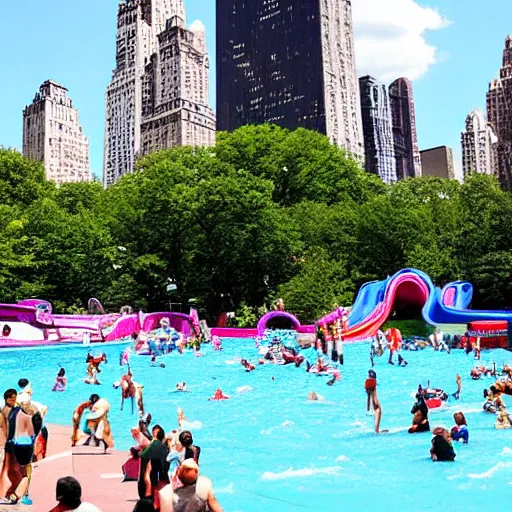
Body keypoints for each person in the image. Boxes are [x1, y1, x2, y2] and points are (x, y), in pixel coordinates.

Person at [0, 390, 42, 505]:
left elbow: (7, 430)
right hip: (22, 445)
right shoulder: (21, 415)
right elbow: (33, 432)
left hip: (16, 445)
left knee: (14, 471)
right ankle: (16, 495)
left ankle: (13, 495)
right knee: (20, 471)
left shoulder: (14, 413)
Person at [138, 425, 170, 507]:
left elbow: (143, 455)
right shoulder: (164, 447)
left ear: (155, 434)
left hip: (152, 472)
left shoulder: (153, 445)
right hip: (161, 473)